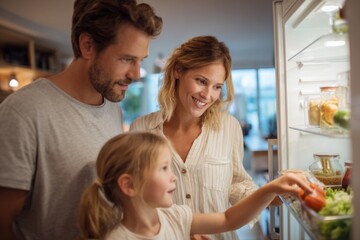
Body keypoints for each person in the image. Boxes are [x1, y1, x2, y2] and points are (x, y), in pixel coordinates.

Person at [0, 0, 162, 239]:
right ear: (87, 46)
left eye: (141, 60)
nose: (136, 74)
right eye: (127, 59)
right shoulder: (23, 112)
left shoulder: (112, 108)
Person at [130, 35, 262, 239]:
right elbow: (136, 202)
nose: (208, 95)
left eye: (217, 87)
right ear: (178, 71)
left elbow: (236, 183)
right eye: (201, 81)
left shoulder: (229, 127)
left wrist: (274, 195)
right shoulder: (141, 130)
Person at [78, 131, 312, 239]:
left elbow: (228, 219)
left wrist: (271, 188)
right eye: (163, 168)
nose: (174, 176)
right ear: (129, 185)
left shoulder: (174, 216)